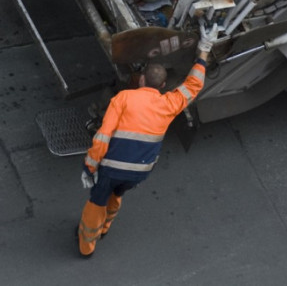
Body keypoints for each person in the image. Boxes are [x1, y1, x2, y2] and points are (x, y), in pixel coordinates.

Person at [76, 25, 218, 257]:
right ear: (162, 86)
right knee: (117, 194)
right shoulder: (169, 104)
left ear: (141, 80)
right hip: (140, 171)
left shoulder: (123, 98)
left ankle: (87, 245)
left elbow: (103, 136)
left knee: (96, 201)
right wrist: (204, 50)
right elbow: (194, 86)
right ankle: (105, 228)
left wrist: (89, 166)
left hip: (111, 168)